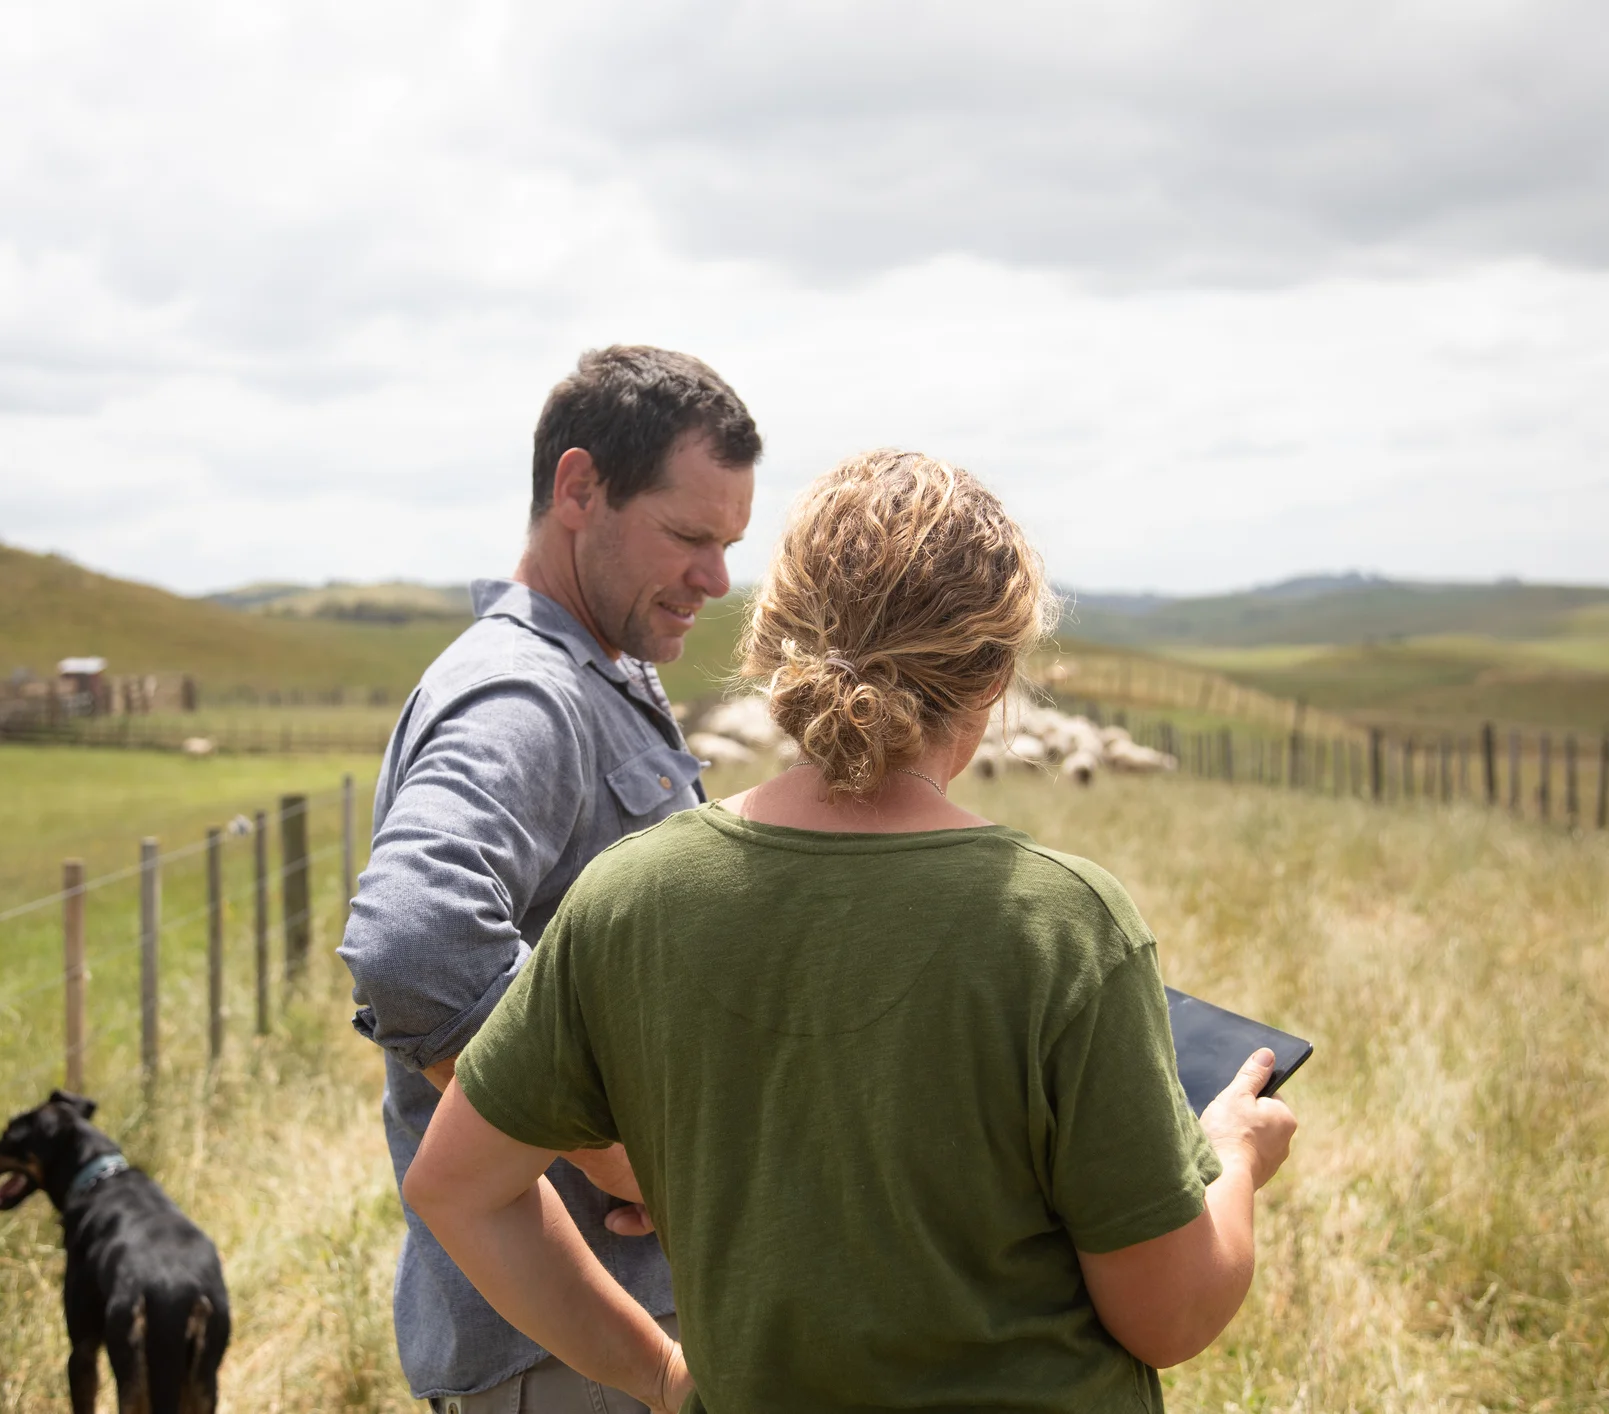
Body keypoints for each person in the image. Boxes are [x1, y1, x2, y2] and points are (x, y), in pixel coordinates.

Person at [403, 450, 1300, 1413]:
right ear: (995, 671)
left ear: (775, 636)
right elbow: (1170, 1317)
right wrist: (1236, 1157)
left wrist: (660, 1375)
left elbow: (459, 1190)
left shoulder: (627, 898)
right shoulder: (1060, 924)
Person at [336, 345, 761, 1412]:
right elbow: (412, 944)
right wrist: (614, 1150)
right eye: (689, 536)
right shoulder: (521, 695)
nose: (716, 579)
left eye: (730, 545)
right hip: (570, 1359)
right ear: (579, 489)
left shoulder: (599, 671)